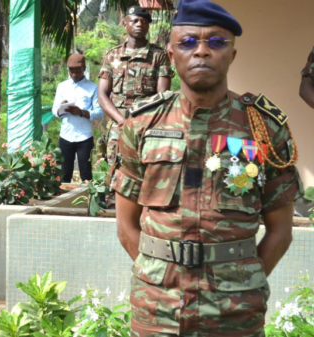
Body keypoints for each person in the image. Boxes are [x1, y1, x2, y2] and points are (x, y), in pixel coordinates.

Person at [112, 0, 303, 335]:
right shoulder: (142, 123)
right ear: (171, 56)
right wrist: (159, 276)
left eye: (216, 41)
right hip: (157, 309)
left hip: (236, 311)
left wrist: (242, 281)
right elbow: (126, 225)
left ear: (232, 54)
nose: (201, 51)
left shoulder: (263, 127)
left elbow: (280, 231)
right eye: (188, 42)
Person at [98, 5, 173, 167]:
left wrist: (142, 122)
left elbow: (163, 96)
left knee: (149, 172)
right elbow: (102, 95)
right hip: (119, 126)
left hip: (149, 125)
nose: (140, 24)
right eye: (135, 21)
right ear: (125, 24)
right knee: (115, 174)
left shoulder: (158, 56)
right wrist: (121, 121)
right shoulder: (112, 56)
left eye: (144, 21)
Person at [52, 54, 103, 182]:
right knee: (64, 174)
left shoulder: (93, 87)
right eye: (71, 71)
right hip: (66, 135)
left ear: (84, 68)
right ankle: (63, 201)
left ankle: (88, 200)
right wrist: (61, 109)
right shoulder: (62, 86)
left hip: (84, 137)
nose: (74, 74)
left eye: (77, 70)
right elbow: (54, 110)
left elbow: (99, 113)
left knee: (86, 174)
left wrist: (82, 112)